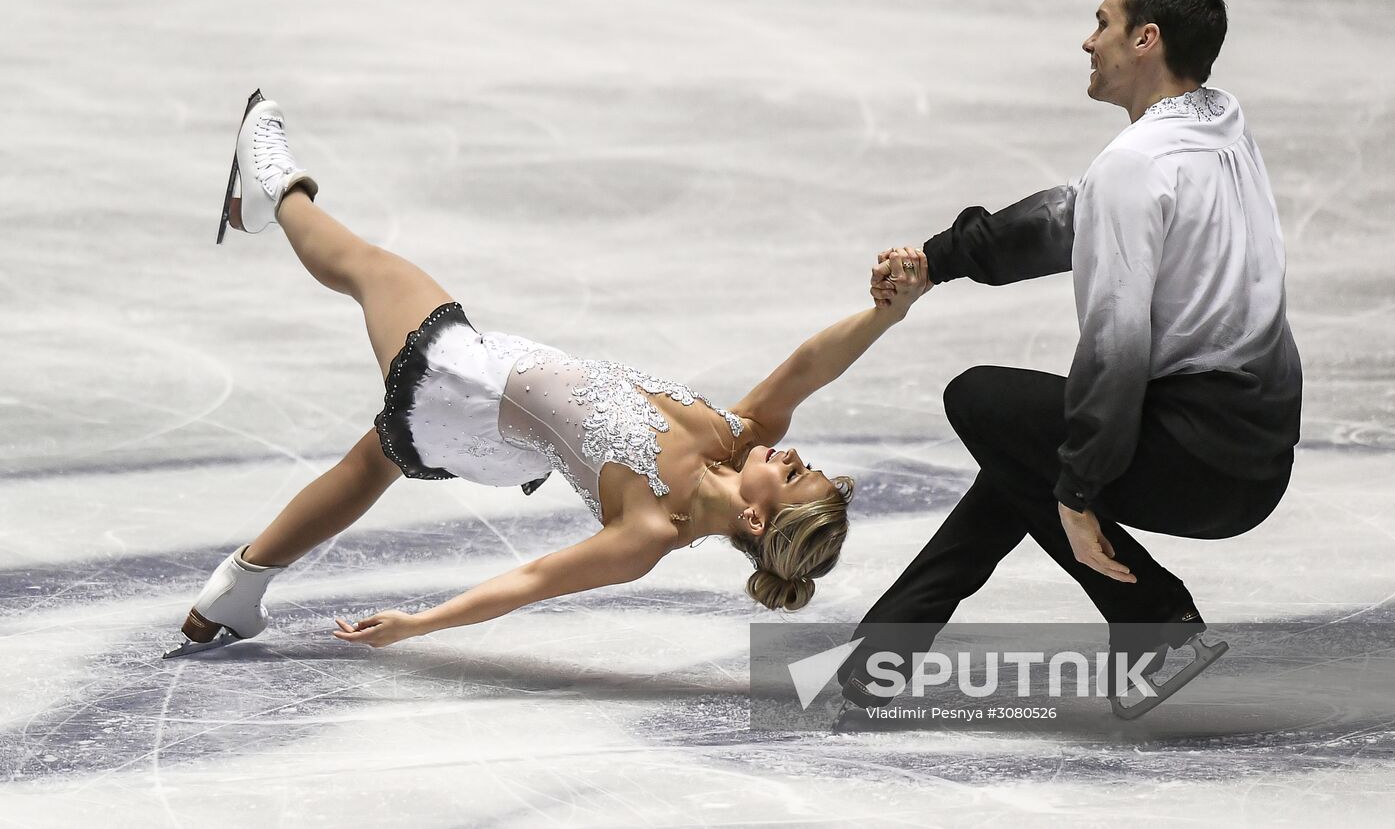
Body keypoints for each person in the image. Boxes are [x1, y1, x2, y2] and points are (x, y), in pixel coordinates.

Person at [165, 92, 932, 658]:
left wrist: (418, 624)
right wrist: (885, 316)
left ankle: (274, 189)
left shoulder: (650, 531)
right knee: (375, 459)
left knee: (370, 269)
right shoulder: (741, 435)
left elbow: (534, 579)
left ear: (760, 521)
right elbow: (808, 366)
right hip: (499, 437)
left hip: (467, 382)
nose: (800, 457)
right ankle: (235, 591)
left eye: (801, 477)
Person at [842, 0, 1302, 718]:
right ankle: (883, 650)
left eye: (1103, 23)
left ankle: (1156, 617)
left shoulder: (1136, 164)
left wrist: (1082, 491)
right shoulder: (1219, 122)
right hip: (1258, 459)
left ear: (1146, 39)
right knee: (1024, 461)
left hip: (1200, 462)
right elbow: (1066, 219)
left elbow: (1115, 350)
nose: (1088, 42)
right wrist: (938, 259)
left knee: (983, 402)